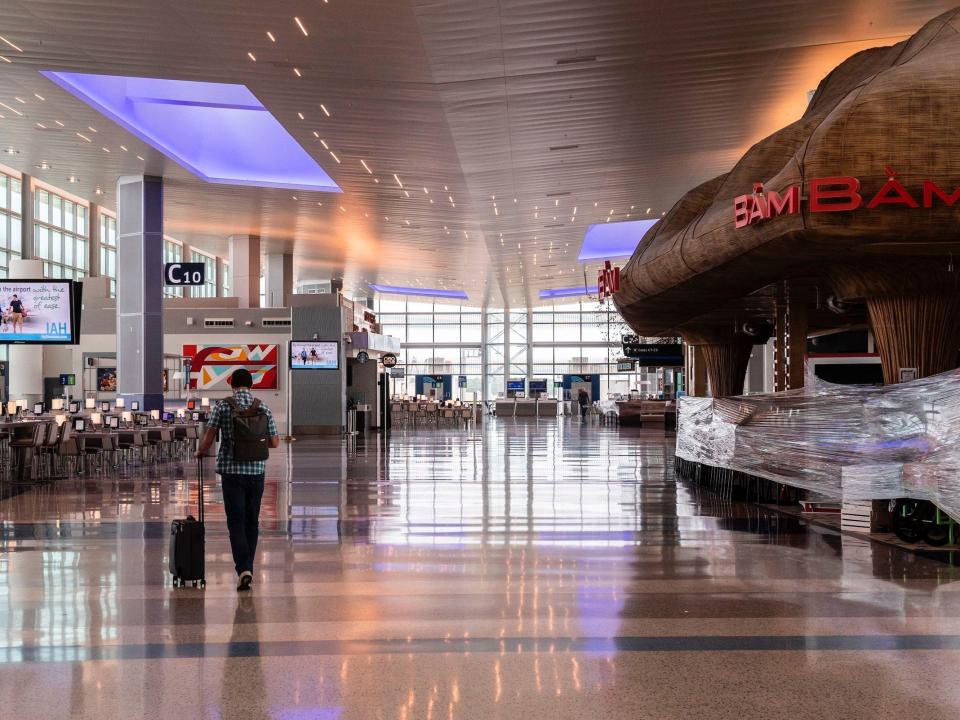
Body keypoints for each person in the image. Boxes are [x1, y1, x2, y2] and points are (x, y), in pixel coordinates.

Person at [195, 369, 280, 591]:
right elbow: (274, 442)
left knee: (235, 521)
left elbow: (210, 436)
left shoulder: (224, 406)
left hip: (231, 472)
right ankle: (248, 567)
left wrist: (200, 452)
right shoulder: (263, 406)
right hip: (256, 472)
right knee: (252, 521)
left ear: (233, 386)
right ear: (251, 385)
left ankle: (243, 567)